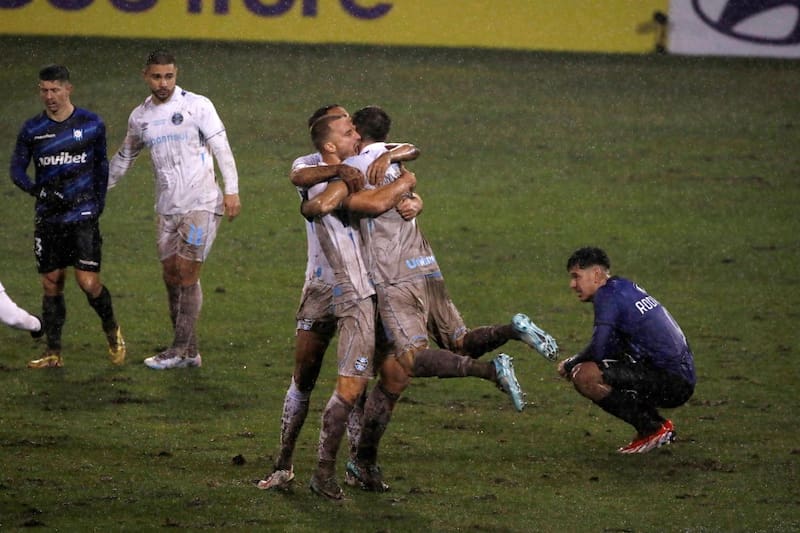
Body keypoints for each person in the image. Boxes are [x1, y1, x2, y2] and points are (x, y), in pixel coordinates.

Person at [312, 106, 559, 492]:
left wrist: (382, 185)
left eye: (350, 130)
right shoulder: (386, 159)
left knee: (409, 359)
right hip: (426, 265)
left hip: (393, 279)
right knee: (439, 351)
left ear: (357, 134)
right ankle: (512, 329)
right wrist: (406, 179)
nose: (349, 137)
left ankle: (492, 372)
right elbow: (409, 152)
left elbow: (366, 203)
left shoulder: (357, 168)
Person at [257, 105, 419, 493]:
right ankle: (283, 463)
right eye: (348, 129)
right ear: (328, 139)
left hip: (364, 287)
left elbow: (409, 149)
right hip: (321, 286)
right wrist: (339, 171)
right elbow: (299, 176)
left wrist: (394, 164)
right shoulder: (313, 163)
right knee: (305, 376)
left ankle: (355, 465)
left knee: (356, 381)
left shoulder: (366, 160)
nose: (356, 136)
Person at [108, 49, 241, 370]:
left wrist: (232, 190)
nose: (163, 83)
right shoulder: (140, 117)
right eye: (157, 76)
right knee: (170, 275)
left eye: (169, 76)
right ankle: (190, 352)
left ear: (176, 75)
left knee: (186, 272)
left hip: (202, 204)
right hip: (166, 208)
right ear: (146, 76)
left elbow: (221, 147)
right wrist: (99, 190)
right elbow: (125, 157)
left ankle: (178, 350)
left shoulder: (197, 106)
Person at [10, 64, 125, 369]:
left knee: (87, 282)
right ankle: (53, 351)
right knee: (51, 282)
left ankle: (111, 328)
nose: (49, 96)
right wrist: (38, 191)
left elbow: (101, 166)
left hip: (82, 214)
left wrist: (97, 203)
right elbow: (16, 169)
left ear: (68, 89)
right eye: (44, 90)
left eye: (55, 90)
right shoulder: (32, 129)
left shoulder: (90, 124)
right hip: (48, 217)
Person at [558, 246, 696, 454]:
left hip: (672, 382)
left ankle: (651, 429)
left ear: (596, 274)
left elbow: (599, 349)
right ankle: (659, 427)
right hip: (680, 376)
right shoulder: (623, 287)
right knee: (610, 366)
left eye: (576, 277)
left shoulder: (607, 297)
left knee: (585, 375)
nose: (572, 284)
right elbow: (613, 346)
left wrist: (570, 364)